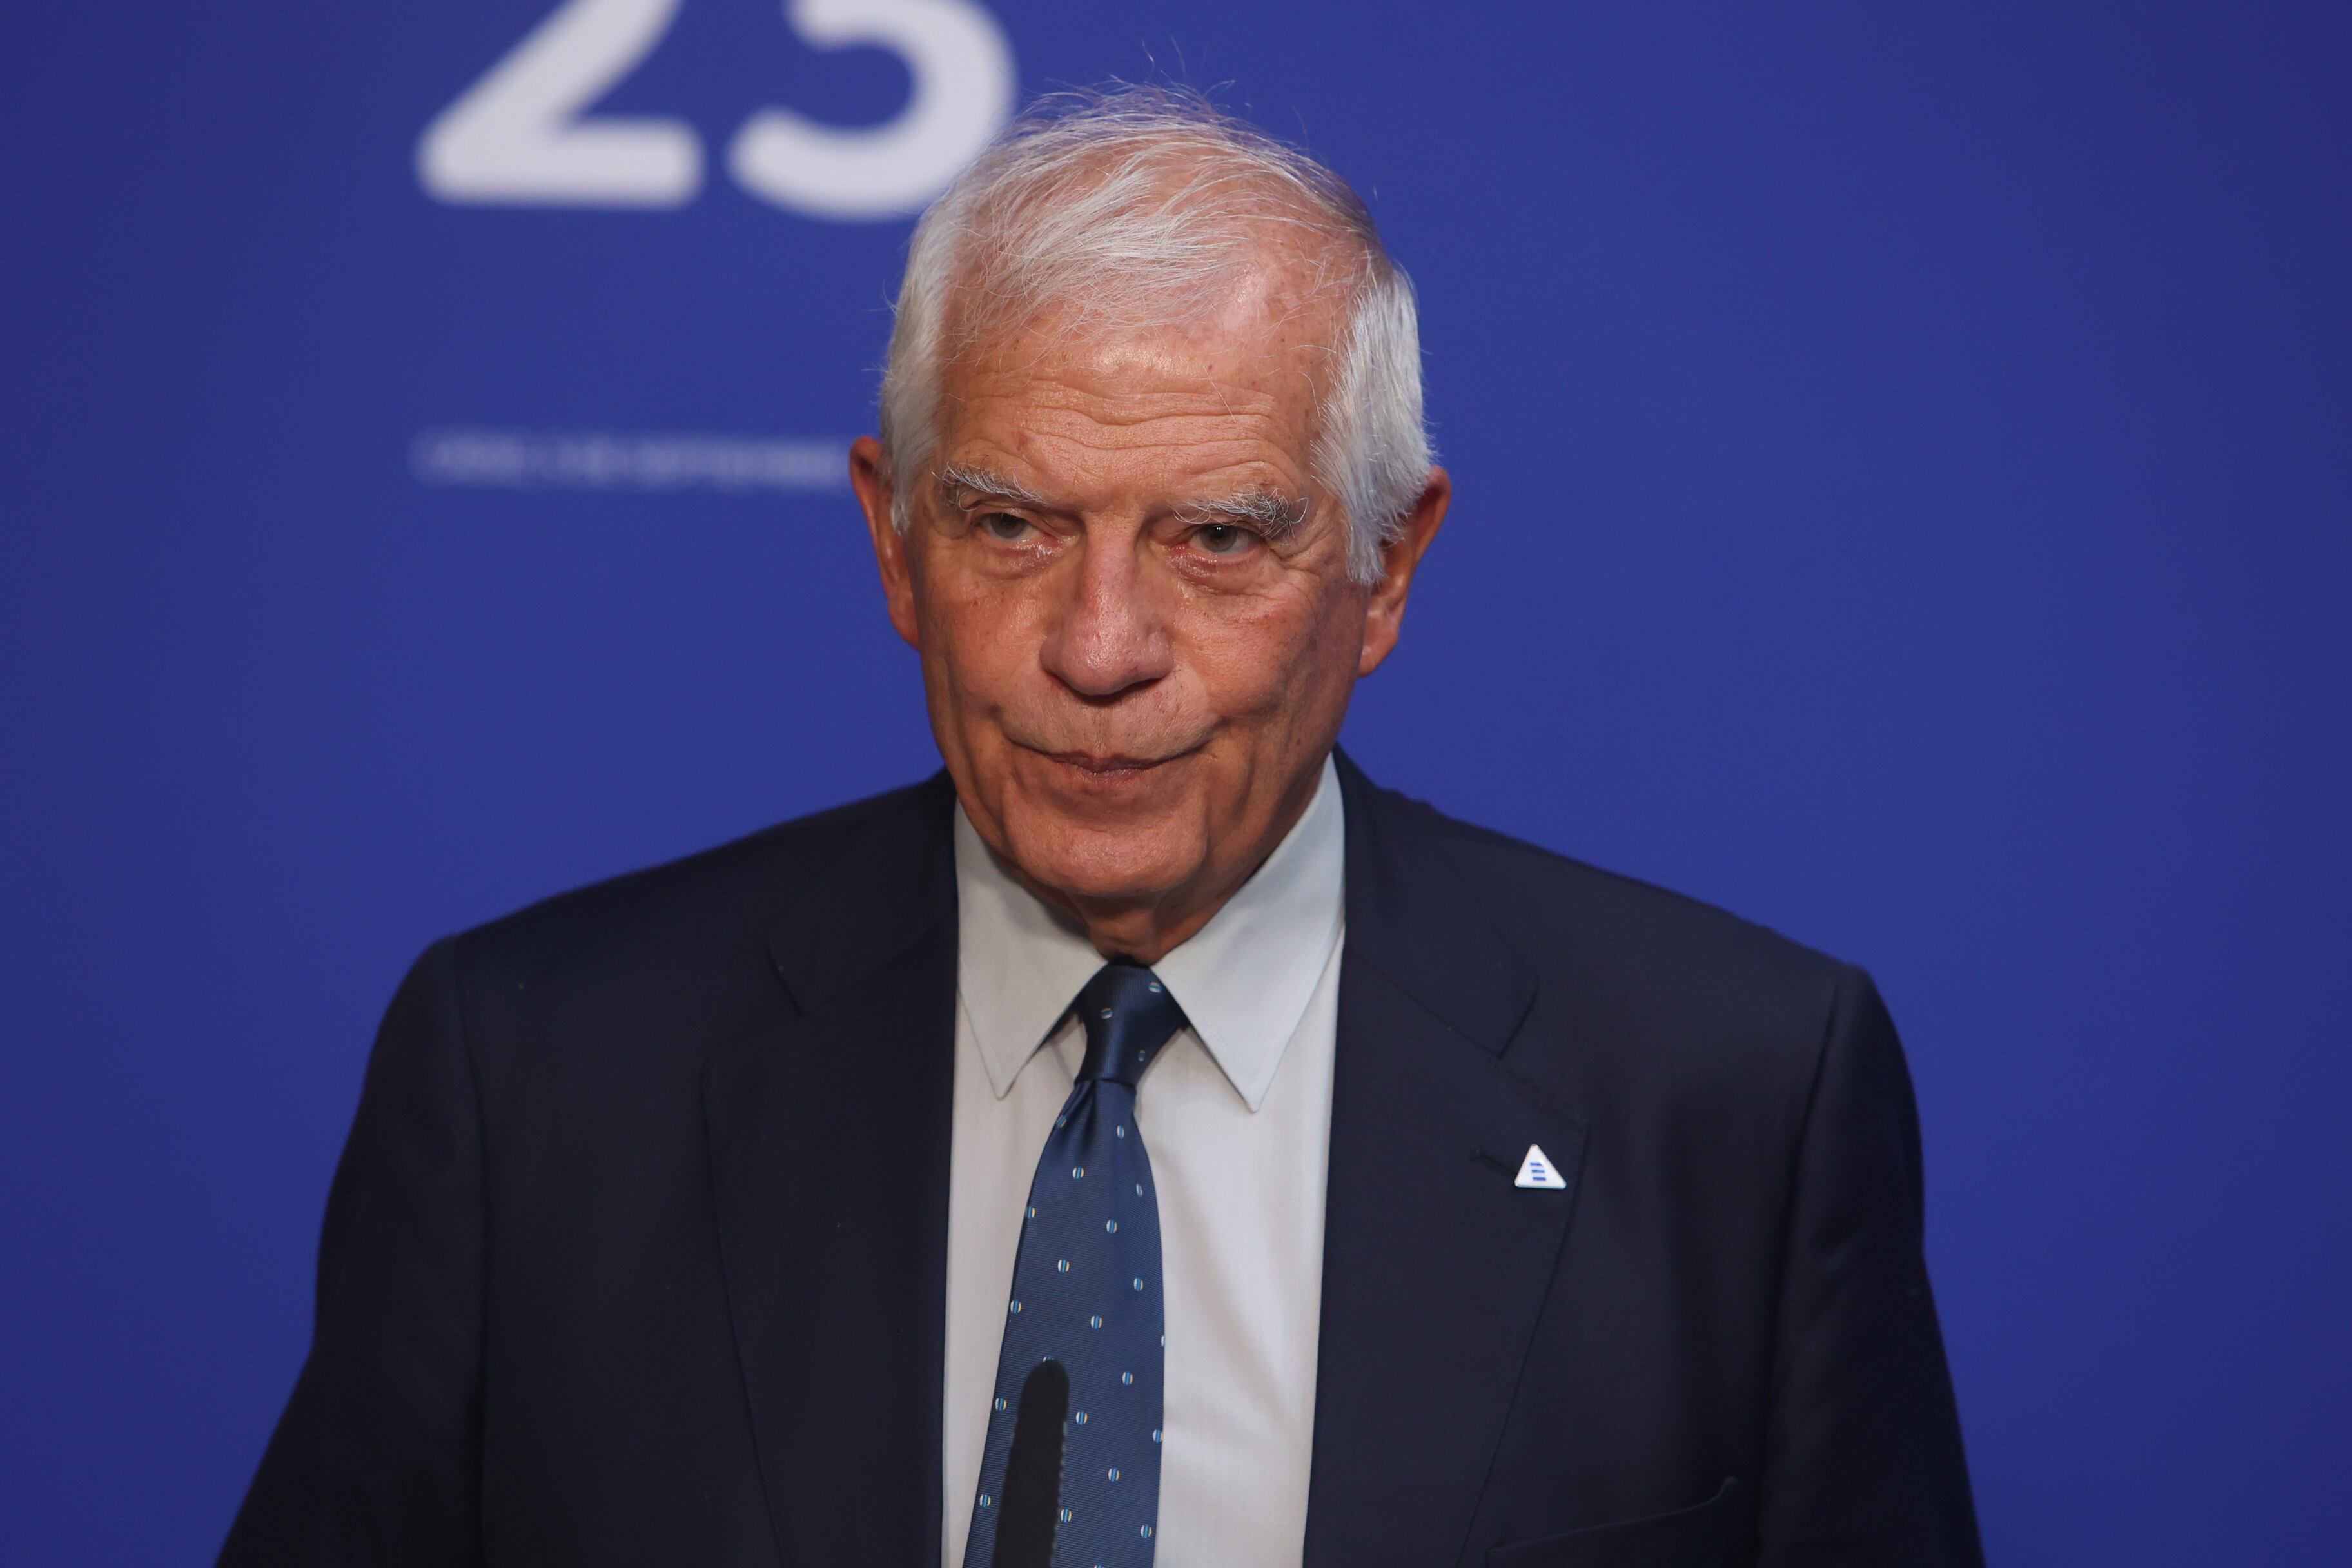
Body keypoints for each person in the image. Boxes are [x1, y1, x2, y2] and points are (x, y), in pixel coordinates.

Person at [221, 86, 1981, 1567]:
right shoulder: (536, 1081)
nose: (1100, 646)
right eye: (1012, 525)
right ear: (892, 539)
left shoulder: (1734, 1099)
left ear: (1387, 568)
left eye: (1217, 539)